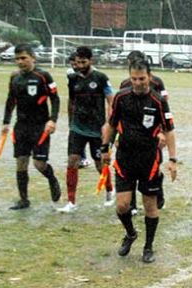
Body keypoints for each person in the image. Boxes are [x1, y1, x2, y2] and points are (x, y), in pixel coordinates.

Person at [101, 59, 177, 263]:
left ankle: (148, 247)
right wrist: (105, 148)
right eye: (134, 78)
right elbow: (111, 124)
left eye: (141, 78)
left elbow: (169, 130)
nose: (137, 82)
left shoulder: (158, 100)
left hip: (149, 161)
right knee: (122, 206)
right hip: (125, 159)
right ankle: (131, 233)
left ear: (149, 77)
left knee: (150, 206)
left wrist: (172, 159)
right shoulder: (121, 97)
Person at [1, 44, 61, 210]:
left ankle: (52, 179)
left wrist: (52, 120)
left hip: (40, 127)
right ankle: (24, 199)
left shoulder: (43, 76)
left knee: (39, 164)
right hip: (21, 127)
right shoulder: (14, 77)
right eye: (17, 59)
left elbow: (55, 99)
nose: (20, 62)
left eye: (23, 58)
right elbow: (10, 101)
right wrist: (6, 122)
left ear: (33, 57)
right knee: (21, 162)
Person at [57, 46, 115, 213]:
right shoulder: (73, 79)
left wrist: (108, 123)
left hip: (97, 128)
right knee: (72, 160)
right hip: (77, 128)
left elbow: (111, 101)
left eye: (83, 62)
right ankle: (71, 202)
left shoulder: (101, 78)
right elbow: (71, 101)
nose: (80, 65)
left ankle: (110, 190)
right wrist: (70, 122)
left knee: (99, 164)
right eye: (77, 62)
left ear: (91, 61)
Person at [119, 50, 168, 215]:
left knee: (155, 164)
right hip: (131, 135)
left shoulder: (157, 83)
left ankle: (157, 190)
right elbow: (121, 114)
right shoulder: (125, 85)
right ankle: (131, 204)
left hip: (152, 133)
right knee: (130, 170)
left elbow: (164, 107)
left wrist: (162, 131)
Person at [66, 52, 91, 169]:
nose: (75, 66)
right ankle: (77, 157)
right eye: (72, 64)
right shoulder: (70, 74)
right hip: (76, 109)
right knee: (75, 134)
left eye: (76, 64)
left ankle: (84, 158)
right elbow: (71, 96)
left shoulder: (93, 75)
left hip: (89, 112)